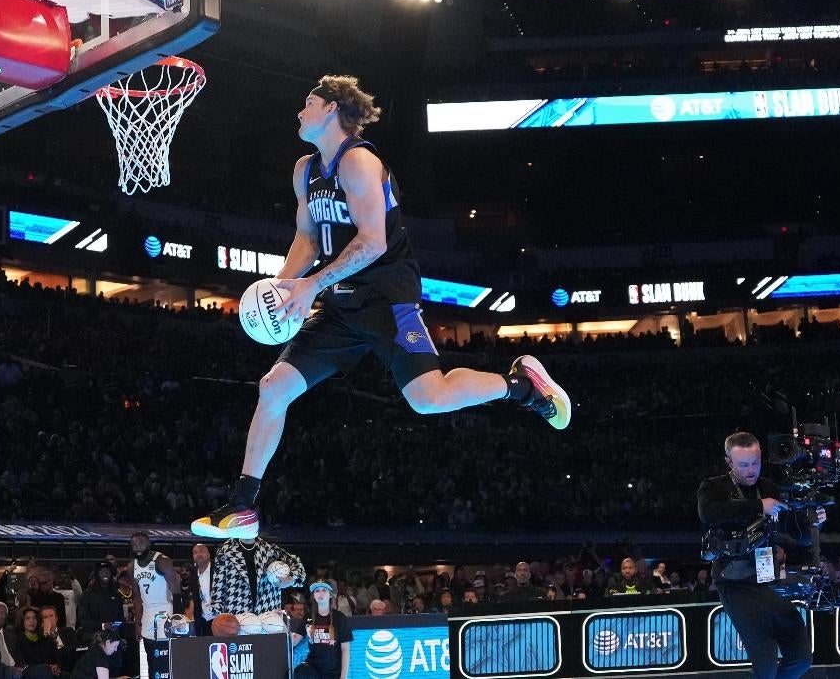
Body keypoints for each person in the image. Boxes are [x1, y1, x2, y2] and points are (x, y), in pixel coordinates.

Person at [191, 75, 571, 539]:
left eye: (308, 103)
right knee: (272, 388)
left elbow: (373, 243)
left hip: (387, 296)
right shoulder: (304, 170)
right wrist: (285, 289)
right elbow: (308, 238)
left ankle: (522, 386)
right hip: (340, 301)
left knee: (427, 398)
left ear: (332, 109)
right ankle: (242, 508)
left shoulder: (360, 163)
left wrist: (310, 286)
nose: (299, 111)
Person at [698, 432, 825, 679]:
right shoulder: (713, 486)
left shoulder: (768, 488)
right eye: (743, 464)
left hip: (767, 581)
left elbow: (798, 534)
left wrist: (813, 524)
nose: (751, 470)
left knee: (801, 658)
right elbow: (708, 513)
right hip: (735, 584)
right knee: (765, 665)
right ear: (729, 462)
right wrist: (759, 506)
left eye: (755, 463)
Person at [210, 537, 305, 618]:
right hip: (237, 616)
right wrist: (216, 613)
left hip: (269, 615)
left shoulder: (270, 548)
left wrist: (291, 579)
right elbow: (219, 585)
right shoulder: (225, 550)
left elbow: (297, 565)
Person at [129, 533, 177, 679]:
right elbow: (137, 597)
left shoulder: (162, 561)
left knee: (165, 655)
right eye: (134, 544)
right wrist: (137, 623)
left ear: (149, 544)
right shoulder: (132, 567)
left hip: (165, 609)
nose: (138, 546)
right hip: (147, 612)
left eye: (141, 543)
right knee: (150, 656)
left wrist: (178, 617)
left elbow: (177, 590)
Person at [293, 583, 351, 679]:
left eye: (324, 590)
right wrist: (281, 625)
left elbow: (345, 649)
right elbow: (295, 640)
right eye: (317, 591)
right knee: (299, 671)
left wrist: (343, 676)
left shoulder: (339, 618)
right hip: (312, 669)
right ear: (314, 596)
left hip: (333, 671)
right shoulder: (308, 617)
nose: (320, 593)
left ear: (330, 595)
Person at [185, 545, 214, 636]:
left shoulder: (219, 570)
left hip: (219, 617)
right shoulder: (193, 575)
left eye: (201, 551)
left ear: (208, 554)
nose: (198, 554)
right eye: (195, 552)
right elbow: (194, 598)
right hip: (201, 620)